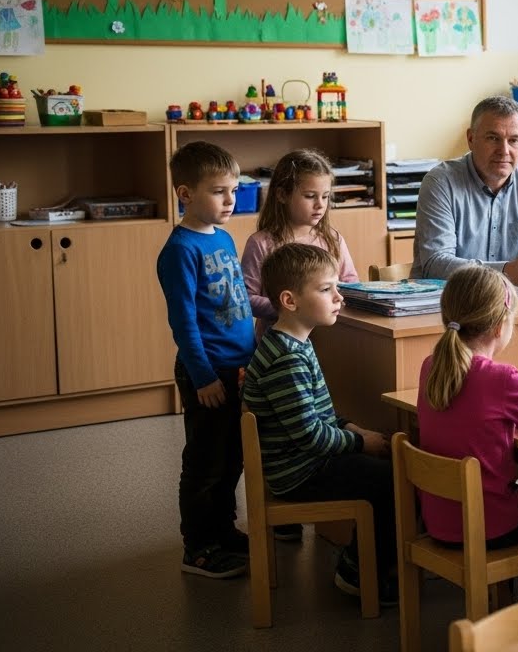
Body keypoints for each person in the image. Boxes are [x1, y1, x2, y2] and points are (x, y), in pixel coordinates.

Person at [241, 243, 398, 606]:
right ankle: (361, 571)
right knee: (388, 482)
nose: (339, 297)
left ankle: (365, 561)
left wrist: (353, 428)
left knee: (382, 461)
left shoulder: (294, 342)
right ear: (290, 300)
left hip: (304, 460)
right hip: (298, 472)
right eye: (327, 289)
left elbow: (317, 416)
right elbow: (311, 436)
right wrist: (361, 443)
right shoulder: (286, 359)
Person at [417, 264, 518, 596]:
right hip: (489, 524)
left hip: (440, 522)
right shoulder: (500, 377)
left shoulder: (431, 366)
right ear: (500, 326)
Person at [156, 141, 254, 579]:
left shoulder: (226, 236)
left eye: (233, 190)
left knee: (233, 457)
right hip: (208, 373)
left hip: (238, 368)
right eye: (219, 191)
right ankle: (198, 547)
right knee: (205, 462)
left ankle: (223, 530)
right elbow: (184, 324)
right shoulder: (179, 251)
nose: (230, 200)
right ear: (185, 193)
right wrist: (202, 378)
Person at [413, 96, 518, 288]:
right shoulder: (440, 183)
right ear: (471, 139)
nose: (504, 150)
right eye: (493, 138)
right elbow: (436, 264)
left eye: (514, 140)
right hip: (446, 304)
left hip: (511, 304)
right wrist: (507, 272)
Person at [242, 149, 359, 341]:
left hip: (332, 340)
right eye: (310, 196)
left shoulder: (333, 239)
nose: (320, 205)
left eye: (325, 196)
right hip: (278, 344)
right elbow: (246, 299)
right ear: (282, 195)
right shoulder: (261, 243)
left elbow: (352, 285)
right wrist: (295, 310)